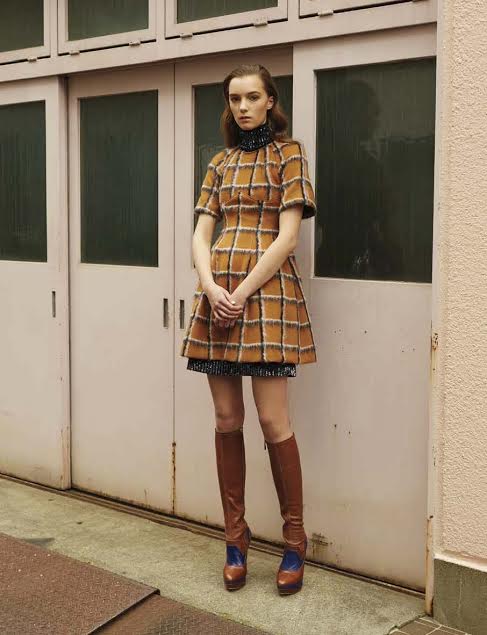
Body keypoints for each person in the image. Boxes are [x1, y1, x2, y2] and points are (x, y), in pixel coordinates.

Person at [180, 63, 317, 595]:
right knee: (225, 418)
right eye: (235, 98)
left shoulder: (289, 154)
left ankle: (295, 540)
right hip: (218, 299)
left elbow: (288, 237)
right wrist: (211, 287)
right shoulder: (219, 162)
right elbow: (201, 234)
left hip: (268, 298)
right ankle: (235, 539)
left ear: (270, 101)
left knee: (273, 420)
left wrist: (241, 292)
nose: (242, 106)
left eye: (252, 97)